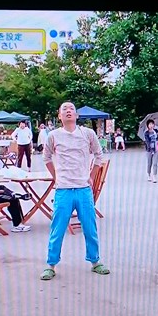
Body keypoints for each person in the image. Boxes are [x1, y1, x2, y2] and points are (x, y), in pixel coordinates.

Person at [40, 102, 109, 281]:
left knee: (90, 227)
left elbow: (99, 155)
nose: (68, 111)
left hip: (83, 189)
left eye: (71, 109)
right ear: (59, 116)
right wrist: (56, 177)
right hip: (63, 189)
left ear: (77, 115)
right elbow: (46, 158)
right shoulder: (53, 135)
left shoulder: (87, 133)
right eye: (64, 109)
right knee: (57, 228)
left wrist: (91, 176)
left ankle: (95, 261)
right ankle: (51, 264)